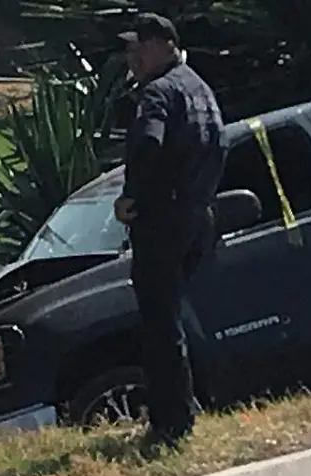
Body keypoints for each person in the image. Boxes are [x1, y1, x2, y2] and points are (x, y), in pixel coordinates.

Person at [113, 12, 227, 452]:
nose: (132, 56)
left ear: (162, 44)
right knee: (174, 316)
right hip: (197, 218)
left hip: (163, 219)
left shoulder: (157, 93)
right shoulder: (199, 89)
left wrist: (131, 198)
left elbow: (148, 143)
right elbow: (220, 143)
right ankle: (187, 406)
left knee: (160, 324)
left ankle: (172, 424)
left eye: (137, 46)